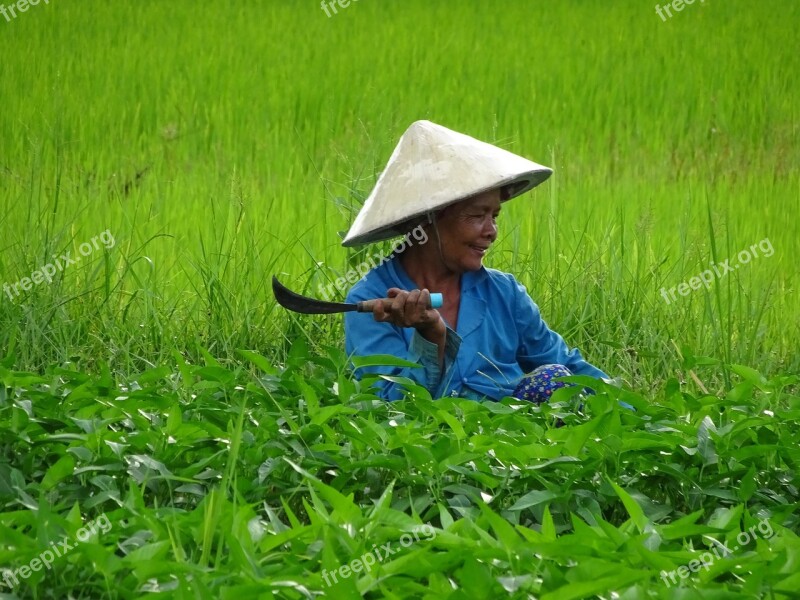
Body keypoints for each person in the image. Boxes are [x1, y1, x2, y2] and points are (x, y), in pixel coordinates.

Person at [342, 120, 613, 403]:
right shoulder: (372, 301)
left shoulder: (505, 294)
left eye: (494, 216)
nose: (491, 232)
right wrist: (431, 339)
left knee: (554, 379)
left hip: (515, 440)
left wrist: (637, 414)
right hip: (435, 444)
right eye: (476, 216)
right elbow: (394, 406)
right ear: (426, 220)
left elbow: (569, 368)